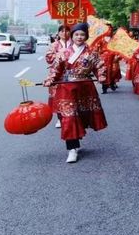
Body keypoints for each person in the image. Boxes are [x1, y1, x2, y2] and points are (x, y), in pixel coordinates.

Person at [43, 22, 108, 163]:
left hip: (85, 88)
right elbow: (55, 69)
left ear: (86, 36)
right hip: (67, 88)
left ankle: (76, 140)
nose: (79, 37)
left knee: (82, 116)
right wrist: (50, 79)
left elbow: (100, 66)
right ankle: (72, 149)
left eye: (82, 34)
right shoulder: (63, 52)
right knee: (68, 117)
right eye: (76, 34)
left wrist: (101, 76)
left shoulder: (91, 52)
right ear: (72, 36)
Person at [45, 25, 71, 129]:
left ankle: (71, 118)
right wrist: (60, 54)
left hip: (71, 73)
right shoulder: (54, 45)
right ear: (59, 33)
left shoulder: (74, 44)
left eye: (67, 31)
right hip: (57, 75)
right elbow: (49, 59)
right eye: (62, 31)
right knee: (58, 97)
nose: (65, 33)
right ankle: (60, 118)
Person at [92, 22, 121, 94]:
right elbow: (96, 49)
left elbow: (118, 49)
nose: (108, 31)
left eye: (110, 29)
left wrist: (118, 56)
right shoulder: (100, 39)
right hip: (104, 58)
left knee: (114, 71)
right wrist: (96, 57)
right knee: (103, 72)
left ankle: (112, 83)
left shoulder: (114, 39)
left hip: (113, 58)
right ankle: (104, 87)